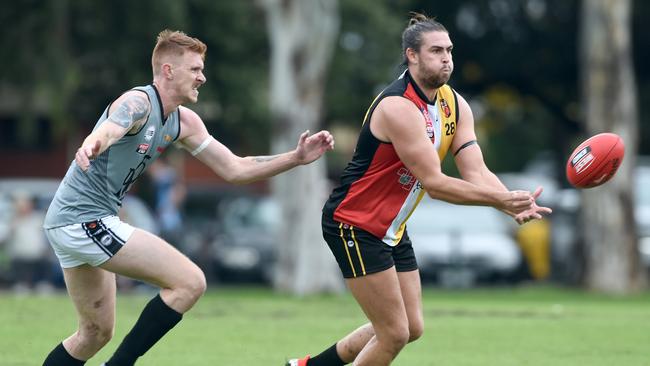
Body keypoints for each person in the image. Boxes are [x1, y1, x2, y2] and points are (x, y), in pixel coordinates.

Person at [41, 29, 334, 366]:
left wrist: (294, 158)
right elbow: (112, 127)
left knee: (94, 333)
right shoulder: (138, 102)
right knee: (189, 282)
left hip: (80, 221)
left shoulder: (184, 122)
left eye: (201, 69)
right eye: (195, 70)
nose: (202, 77)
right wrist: (95, 142)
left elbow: (235, 169)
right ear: (168, 71)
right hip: (83, 220)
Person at [287, 13, 551, 366]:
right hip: (354, 223)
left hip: (391, 228)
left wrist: (512, 203)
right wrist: (502, 200)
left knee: (410, 327)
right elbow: (437, 185)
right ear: (411, 55)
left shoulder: (455, 104)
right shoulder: (398, 107)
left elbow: (475, 169)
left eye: (449, 51)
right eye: (436, 51)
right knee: (393, 333)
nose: (446, 59)